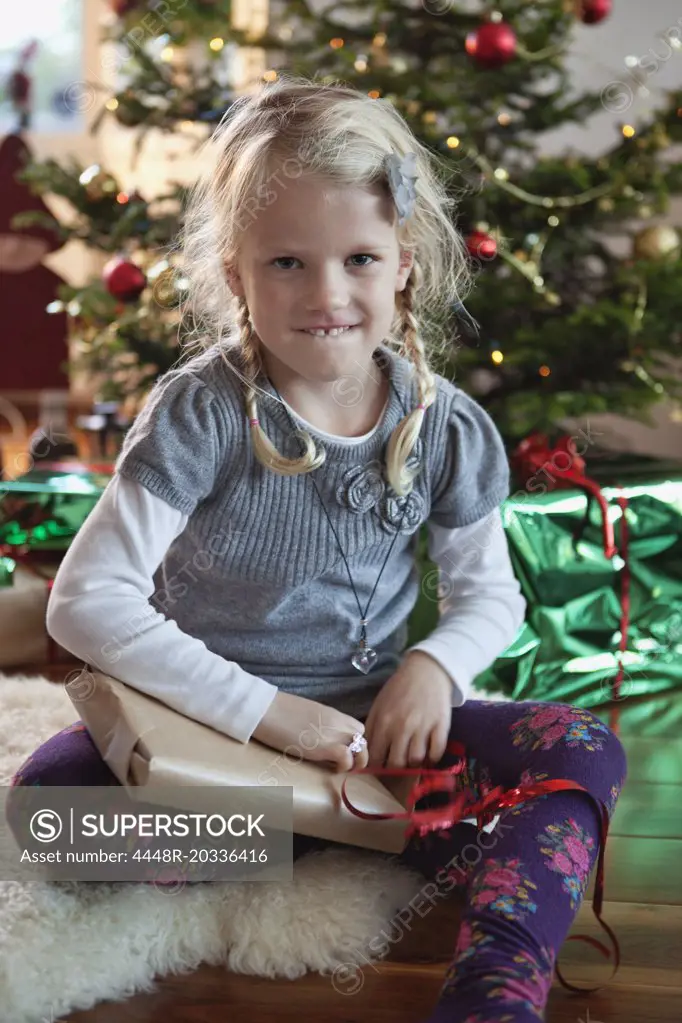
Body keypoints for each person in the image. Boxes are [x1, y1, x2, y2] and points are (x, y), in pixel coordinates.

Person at [8, 75, 626, 1022]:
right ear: (236, 272)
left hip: (371, 738)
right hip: (206, 731)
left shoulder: (448, 427)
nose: (327, 295)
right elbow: (88, 602)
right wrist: (270, 716)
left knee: (583, 754)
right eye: (288, 262)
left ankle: (493, 989)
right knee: (48, 811)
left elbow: (491, 597)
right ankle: (338, 836)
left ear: (405, 264)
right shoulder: (201, 411)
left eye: (360, 259)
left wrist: (430, 666)